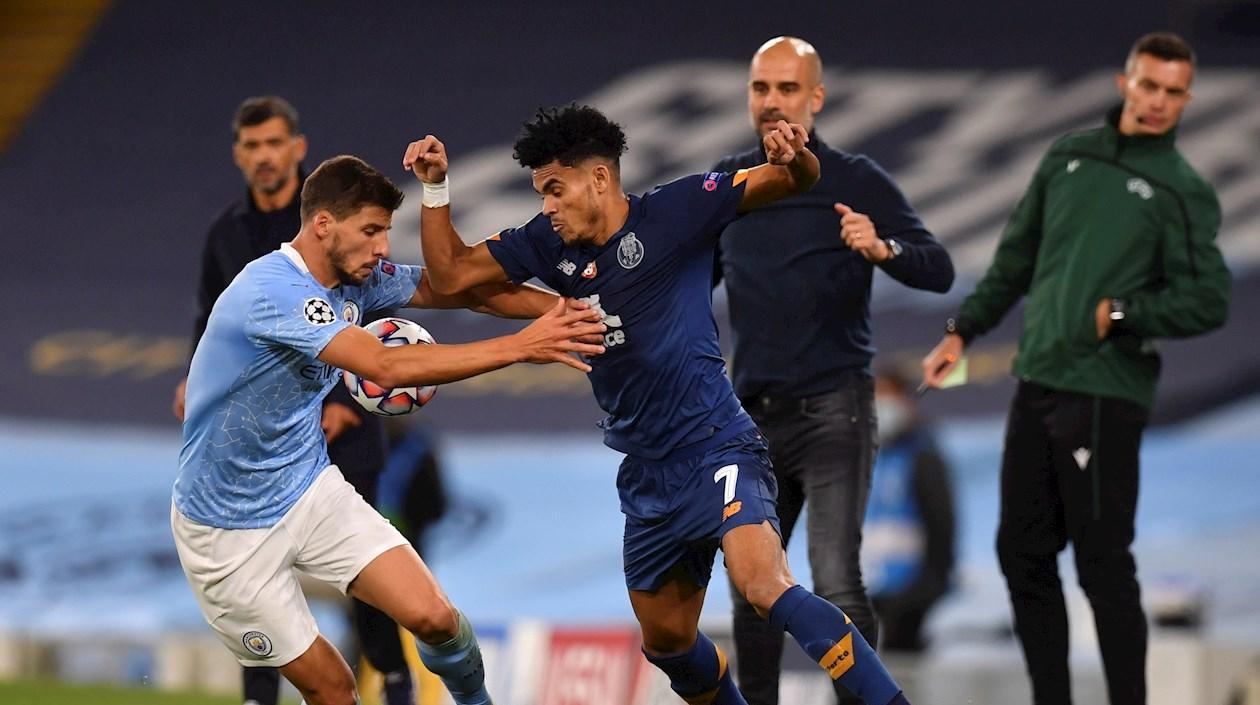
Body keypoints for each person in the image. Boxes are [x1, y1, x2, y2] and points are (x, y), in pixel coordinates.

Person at [407, 104, 913, 705]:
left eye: (554, 189)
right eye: (541, 192)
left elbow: (793, 179)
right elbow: (453, 274)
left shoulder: (681, 208)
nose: (546, 205)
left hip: (716, 445)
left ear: (599, 179)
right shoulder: (547, 243)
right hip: (646, 473)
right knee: (669, 644)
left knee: (762, 584)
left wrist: (794, 158)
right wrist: (435, 189)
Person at [172, 153, 607, 705]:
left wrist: (567, 312)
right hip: (224, 532)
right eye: (372, 231)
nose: (382, 248)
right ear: (323, 225)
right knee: (334, 688)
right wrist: (522, 347)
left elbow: (458, 289)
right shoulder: (273, 290)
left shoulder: (355, 278)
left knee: (436, 617)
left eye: (385, 232)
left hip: (307, 491)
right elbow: (385, 366)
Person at [921, 32, 1230, 705]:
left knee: (1102, 564)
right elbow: (1014, 258)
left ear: (1185, 99)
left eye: (1173, 92)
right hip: (1037, 384)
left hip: (1105, 395)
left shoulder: (1183, 192)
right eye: (1149, 85)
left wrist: (1122, 315)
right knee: (1020, 554)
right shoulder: (1068, 157)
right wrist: (962, 331)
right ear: (1125, 83)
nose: (1158, 102)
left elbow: (1209, 299)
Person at [711, 37, 953, 705]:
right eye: (762, 88)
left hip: (835, 412)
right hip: (751, 416)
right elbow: (685, 283)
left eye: (787, 89)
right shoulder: (728, 184)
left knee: (836, 579)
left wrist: (883, 247)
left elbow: (938, 268)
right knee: (752, 586)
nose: (772, 102)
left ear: (815, 99)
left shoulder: (855, 179)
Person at [170, 96, 416, 705]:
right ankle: (261, 695)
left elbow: (370, 322)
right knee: (261, 581)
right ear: (238, 155)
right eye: (251, 146)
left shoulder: (329, 226)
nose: (263, 157)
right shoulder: (227, 234)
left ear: (298, 149)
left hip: (343, 432)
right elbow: (211, 322)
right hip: (263, 439)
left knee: (368, 581)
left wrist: (348, 406)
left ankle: (394, 681)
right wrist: (194, 380)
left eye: (274, 143)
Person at [864, 368, 955, 653]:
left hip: (910, 595)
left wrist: (927, 588)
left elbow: (942, 524)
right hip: (872, 589)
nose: (880, 404)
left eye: (887, 396)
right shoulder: (866, 456)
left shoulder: (922, 454)